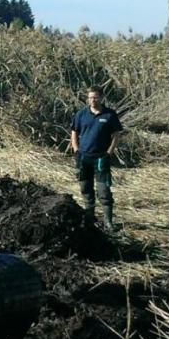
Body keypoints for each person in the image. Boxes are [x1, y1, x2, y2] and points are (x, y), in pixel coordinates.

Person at [70, 85, 123, 231]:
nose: (93, 100)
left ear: (102, 97)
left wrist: (109, 152)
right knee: (85, 189)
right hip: (83, 158)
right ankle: (90, 218)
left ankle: (108, 222)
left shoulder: (109, 115)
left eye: (95, 97)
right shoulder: (81, 114)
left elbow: (116, 135)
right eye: (90, 97)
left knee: (104, 191)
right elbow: (74, 132)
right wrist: (76, 150)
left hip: (100, 159)